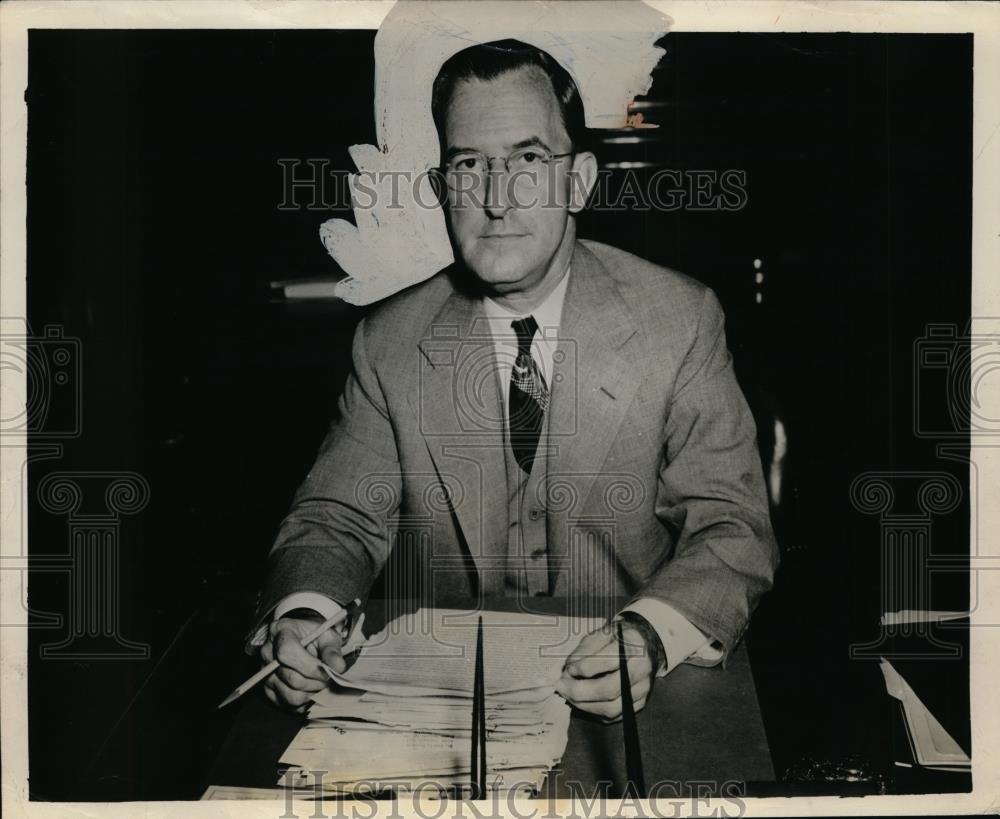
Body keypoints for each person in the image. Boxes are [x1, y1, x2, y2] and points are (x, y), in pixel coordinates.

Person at [249, 40, 778, 721]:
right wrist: (304, 615)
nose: (497, 199)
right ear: (443, 189)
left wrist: (648, 634)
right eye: (470, 165)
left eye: (528, 160)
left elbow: (733, 525)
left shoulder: (679, 319)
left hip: (636, 702)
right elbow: (335, 520)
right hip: (438, 707)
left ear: (579, 180)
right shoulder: (390, 340)